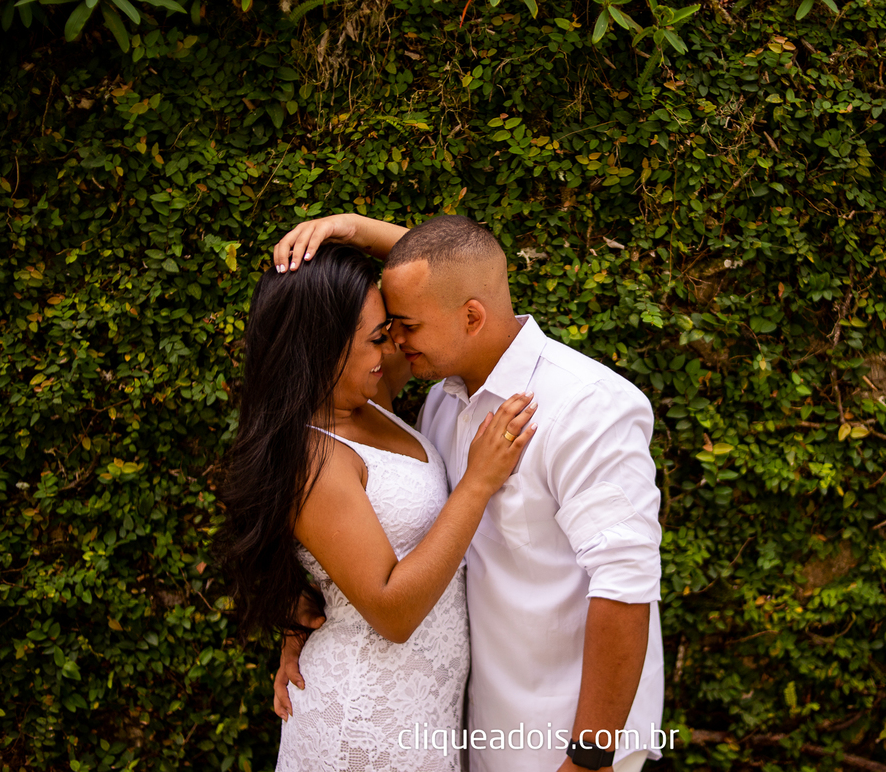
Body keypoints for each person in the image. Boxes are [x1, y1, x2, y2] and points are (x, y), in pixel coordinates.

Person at [272, 215, 665, 772]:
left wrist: (590, 758)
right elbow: (453, 273)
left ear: (472, 317)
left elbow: (626, 586)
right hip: (468, 730)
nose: (394, 343)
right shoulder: (442, 401)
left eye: (402, 325)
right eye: (384, 331)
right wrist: (307, 622)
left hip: (564, 738)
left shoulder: (586, 406)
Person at [212, 245, 539, 771]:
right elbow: (392, 610)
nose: (391, 348)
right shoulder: (313, 456)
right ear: (323, 348)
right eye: (376, 338)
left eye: (388, 331)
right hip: (363, 723)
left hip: (424, 711)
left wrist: (351, 230)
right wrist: (477, 483)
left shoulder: (368, 393)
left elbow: (463, 278)